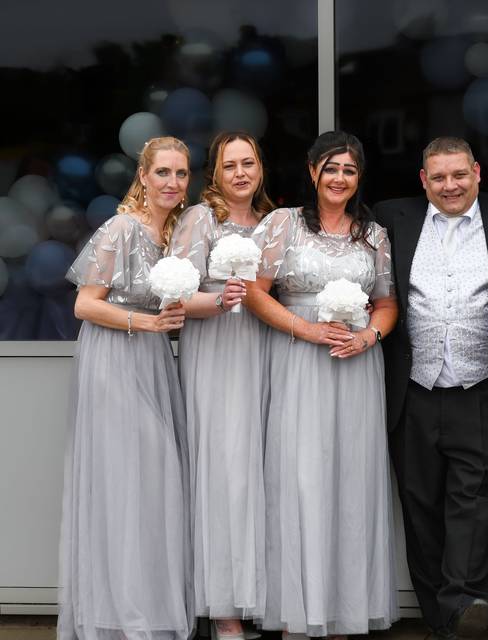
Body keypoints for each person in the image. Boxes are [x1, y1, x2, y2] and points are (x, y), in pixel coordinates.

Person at [373, 137, 488, 639]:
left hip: (486, 386)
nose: (450, 186)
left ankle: (466, 602)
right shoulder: (391, 217)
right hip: (413, 388)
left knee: (474, 502)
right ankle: (440, 618)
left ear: (477, 173)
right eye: (439, 177)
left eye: (459, 175)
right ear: (423, 181)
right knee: (419, 504)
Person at [246, 131, 398, 639]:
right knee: (301, 475)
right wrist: (308, 329)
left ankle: (342, 614)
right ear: (312, 171)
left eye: (349, 171)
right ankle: (299, 611)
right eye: (331, 169)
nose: (339, 179)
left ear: (359, 179)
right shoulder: (282, 225)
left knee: (350, 480)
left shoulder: (373, 235)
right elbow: (254, 293)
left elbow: (386, 302)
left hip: (355, 366)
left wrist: (370, 337)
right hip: (298, 362)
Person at [58, 136, 193, 639]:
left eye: (180, 174)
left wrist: (170, 319)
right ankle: (118, 615)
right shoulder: (119, 228)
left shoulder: (174, 235)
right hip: (114, 358)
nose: (172, 183)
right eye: (162, 173)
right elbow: (85, 305)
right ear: (143, 176)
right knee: (124, 479)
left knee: (153, 482)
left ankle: (149, 606)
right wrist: (146, 325)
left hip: (152, 359)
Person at [168, 132, 276, 639]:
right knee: (224, 472)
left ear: (260, 168)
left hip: (267, 351)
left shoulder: (275, 221)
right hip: (218, 352)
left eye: (248, 163)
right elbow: (174, 299)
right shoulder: (199, 219)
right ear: (215, 172)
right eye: (229, 165)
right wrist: (220, 299)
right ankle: (223, 612)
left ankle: (257, 599)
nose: (240, 173)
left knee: (260, 471)